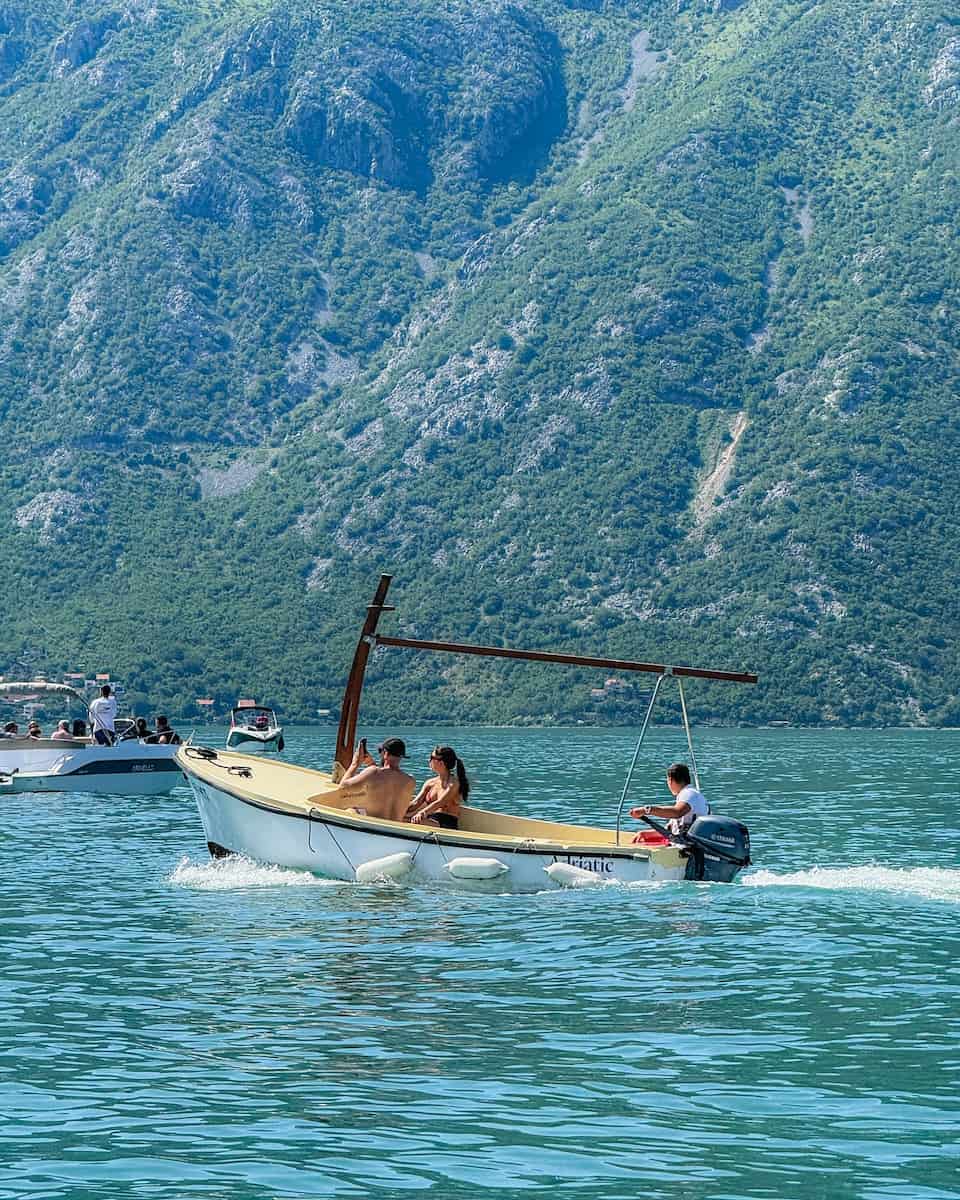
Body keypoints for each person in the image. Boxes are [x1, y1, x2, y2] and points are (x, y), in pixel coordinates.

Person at [329, 736, 415, 822]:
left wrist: (355, 764)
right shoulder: (410, 781)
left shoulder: (373, 773)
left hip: (375, 825)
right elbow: (386, 782)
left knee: (351, 809)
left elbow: (342, 789)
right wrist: (370, 763)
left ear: (385, 753)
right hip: (395, 827)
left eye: (380, 751)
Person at [631, 762, 708, 838]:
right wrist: (645, 834)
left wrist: (646, 810)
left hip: (689, 844)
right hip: (685, 840)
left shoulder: (688, 793)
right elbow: (669, 831)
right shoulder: (691, 795)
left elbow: (677, 812)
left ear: (670, 780)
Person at [407, 745, 469, 829]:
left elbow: (440, 802)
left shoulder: (454, 783)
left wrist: (421, 813)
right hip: (430, 820)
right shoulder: (429, 783)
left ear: (441, 762)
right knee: (401, 818)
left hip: (446, 823)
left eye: (431, 758)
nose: (429, 760)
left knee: (415, 821)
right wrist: (400, 809)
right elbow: (416, 803)